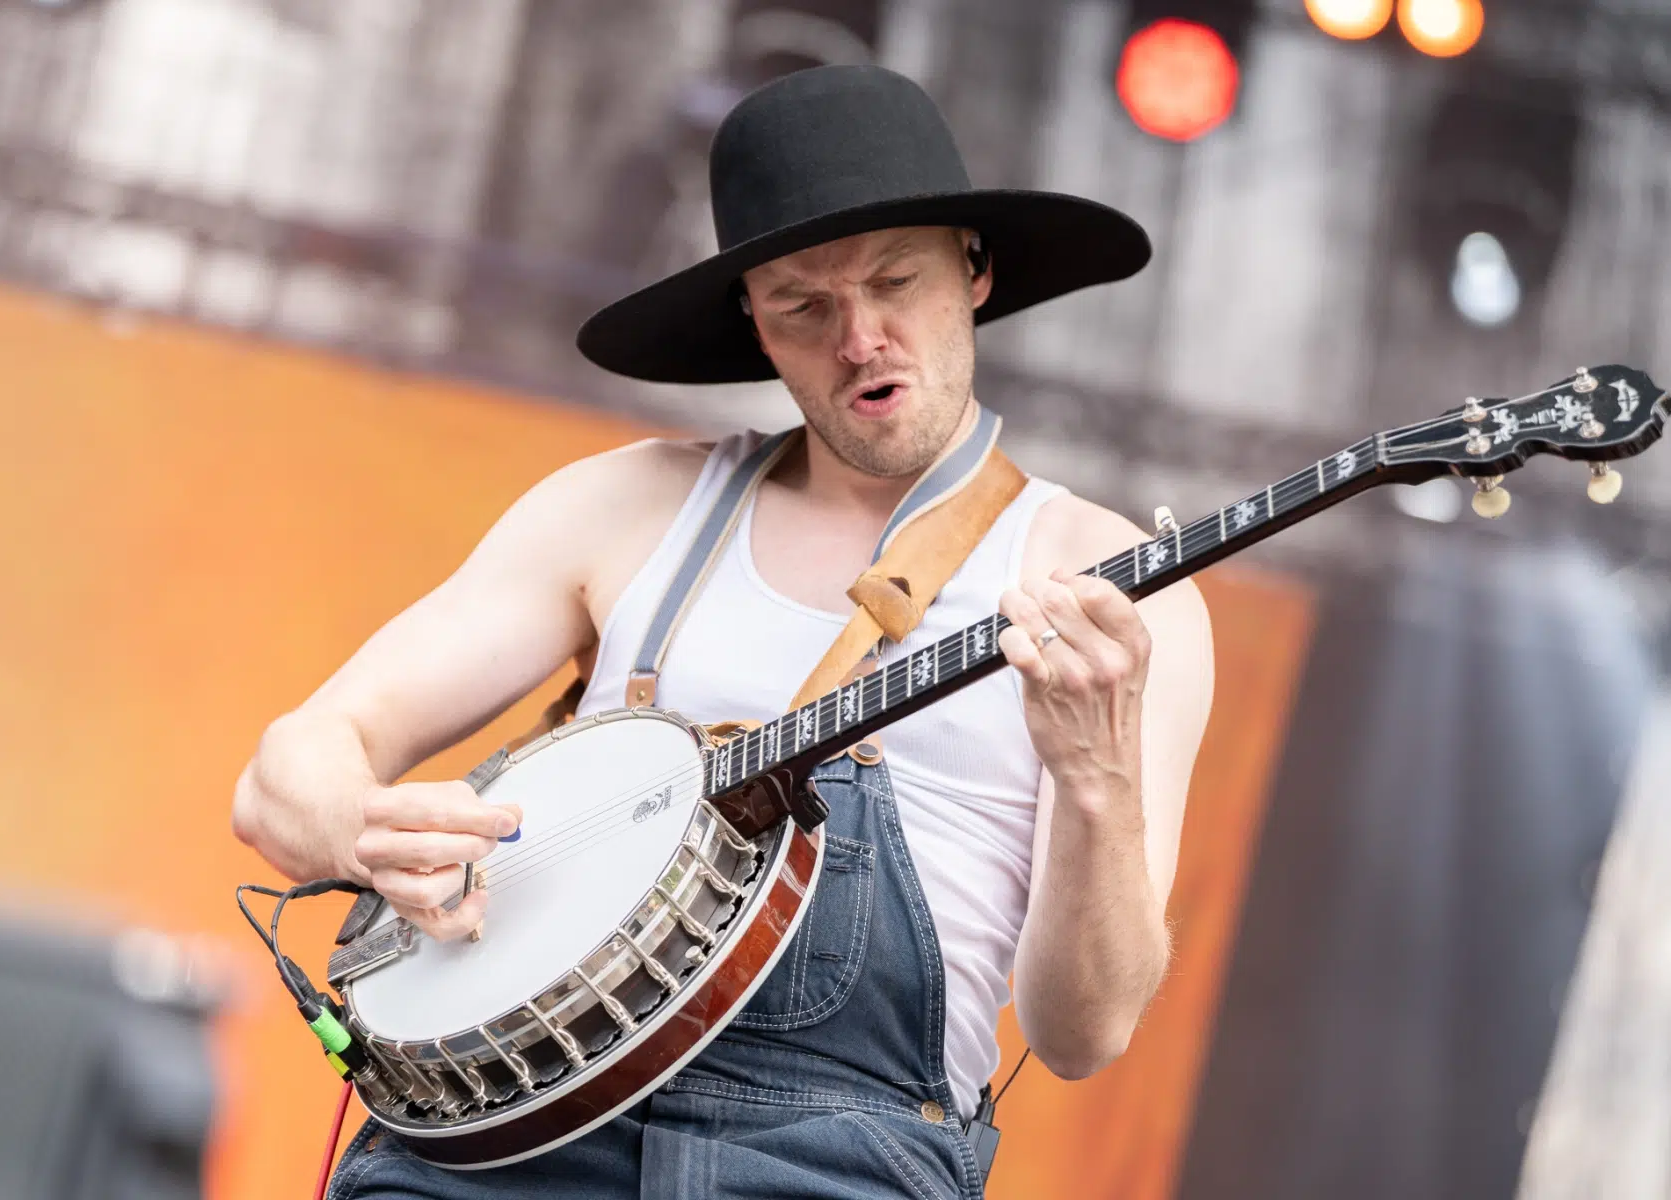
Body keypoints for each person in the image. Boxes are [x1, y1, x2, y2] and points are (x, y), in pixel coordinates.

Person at [233, 65, 1213, 1200]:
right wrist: (366, 832)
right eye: (803, 304)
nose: (861, 339)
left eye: (898, 281)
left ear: (975, 269)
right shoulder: (631, 506)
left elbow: (1085, 1032)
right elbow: (280, 778)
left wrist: (1095, 781)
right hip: (510, 1142)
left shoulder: (1108, 588)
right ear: (750, 319)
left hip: (842, 1159)